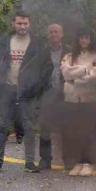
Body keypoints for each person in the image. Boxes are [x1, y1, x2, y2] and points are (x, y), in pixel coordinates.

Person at [0, 11, 53, 173]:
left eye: (25, 23)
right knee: (2, 126)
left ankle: (29, 163)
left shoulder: (37, 43)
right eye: (19, 23)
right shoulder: (5, 41)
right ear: (13, 24)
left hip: (28, 91)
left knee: (29, 127)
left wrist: (36, 87)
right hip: (7, 89)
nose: (23, 26)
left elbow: (48, 67)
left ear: (29, 24)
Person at [60, 28, 96, 176]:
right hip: (72, 99)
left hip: (90, 99)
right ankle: (78, 162)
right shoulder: (69, 56)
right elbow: (66, 74)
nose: (84, 41)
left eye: (87, 38)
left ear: (91, 39)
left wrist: (75, 76)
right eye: (81, 38)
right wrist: (86, 70)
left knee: (89, 132)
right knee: (75, 132)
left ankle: (89, 163)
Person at [37, 23, 68, 170]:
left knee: (66, 128)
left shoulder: (69, 51)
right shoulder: (42, 51)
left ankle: (68, 158)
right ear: (48, 35)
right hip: (47, 94)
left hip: (65, 94)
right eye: (51, 32)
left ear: (62, 34)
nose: (53, 34)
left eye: (56, 31)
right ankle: (45, 159)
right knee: (45, 128)